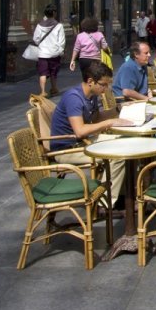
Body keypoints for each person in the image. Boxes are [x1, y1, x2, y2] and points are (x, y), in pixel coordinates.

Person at [49, 60, 131, 203]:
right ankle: (105, 202)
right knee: (119, 155)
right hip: (67, 150)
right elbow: (80, 131)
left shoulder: (91, 96)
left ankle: (124, 195)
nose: (106, 89)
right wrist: (110, 122)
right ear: (90, 81)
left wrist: (118, 109)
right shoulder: (74, 98)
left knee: (125, 143)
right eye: (103, 85)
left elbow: (96, 118)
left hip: (83, 144)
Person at [32, 6, 66, 97]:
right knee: (53, 73)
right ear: (54, 13)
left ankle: (43, 91)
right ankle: (54, 88)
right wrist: (60, 51)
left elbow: (35, 39)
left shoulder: (39, 25)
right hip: (54, 53)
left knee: (43, 73)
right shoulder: (59, 26)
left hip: (42, 53)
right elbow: (61, 41)